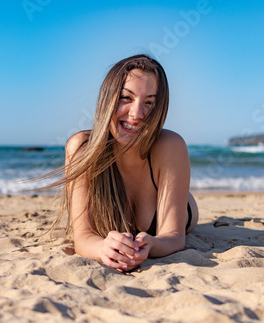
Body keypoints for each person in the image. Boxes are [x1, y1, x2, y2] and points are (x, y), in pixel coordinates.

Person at [47, 54, 199, 272]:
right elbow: (82, 238)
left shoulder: (170, 145)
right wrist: (103, 249)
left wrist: (153, 244)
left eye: (149, 103)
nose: (137, 114)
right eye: (126, 98)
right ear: (107, 99)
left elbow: (175, 237)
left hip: (183, 206)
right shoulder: (82, 148)